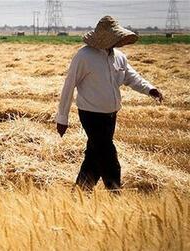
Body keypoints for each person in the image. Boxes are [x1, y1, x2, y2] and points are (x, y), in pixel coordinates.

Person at [56, 16, 163, 192]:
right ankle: (115, 192)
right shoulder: (84, 56)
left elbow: (131, 77)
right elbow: (69, 85)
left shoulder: (119, 57)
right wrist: (62, 118)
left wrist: (150, 89)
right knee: (108, 156)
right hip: (90, 115)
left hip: (111, 116)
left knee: (94, 156)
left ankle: (80, 194)